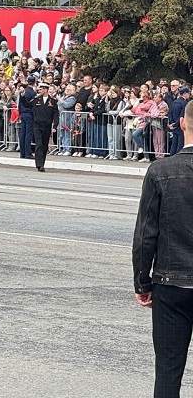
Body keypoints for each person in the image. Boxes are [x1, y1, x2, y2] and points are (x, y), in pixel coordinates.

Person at [133, 100, 193, 397]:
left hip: (171, 283)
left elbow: (146, 234)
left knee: (168, 372)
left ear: (182, 124)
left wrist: (142, 282)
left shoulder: (161, 171)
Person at [32, 82, 58, 172]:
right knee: (39, 144)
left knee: (44, 145)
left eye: (42, 89)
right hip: (37, 125)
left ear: (46, 89)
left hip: (46, 126)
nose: (40, 90)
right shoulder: (36, 100)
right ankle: (39, 164)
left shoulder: (53, 101)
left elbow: (55, 114)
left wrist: (55, 125)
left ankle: (42, 163)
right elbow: (30, 109)